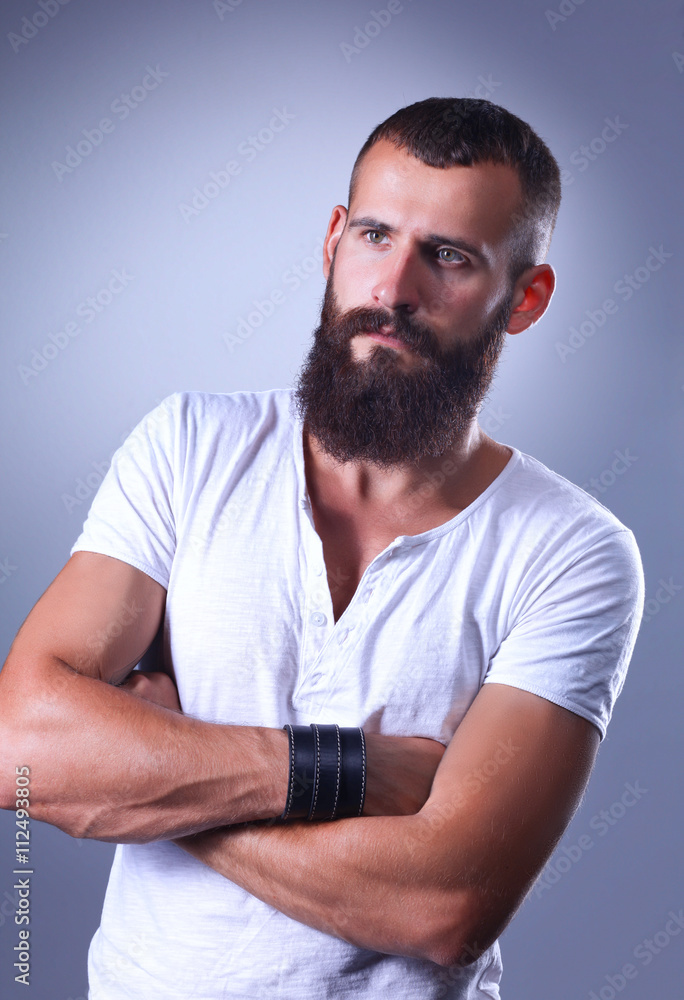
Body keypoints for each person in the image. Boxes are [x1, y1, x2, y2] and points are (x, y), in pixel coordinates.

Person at [0, 97, 644, 999]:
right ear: (335, 239)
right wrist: (349, 772)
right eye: (375, 236)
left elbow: (445, 907)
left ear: (525, 299)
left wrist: (151, 781)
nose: (393, 289)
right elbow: (21, 748)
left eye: (449, 256)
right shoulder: (190, 447)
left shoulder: (573, 553)